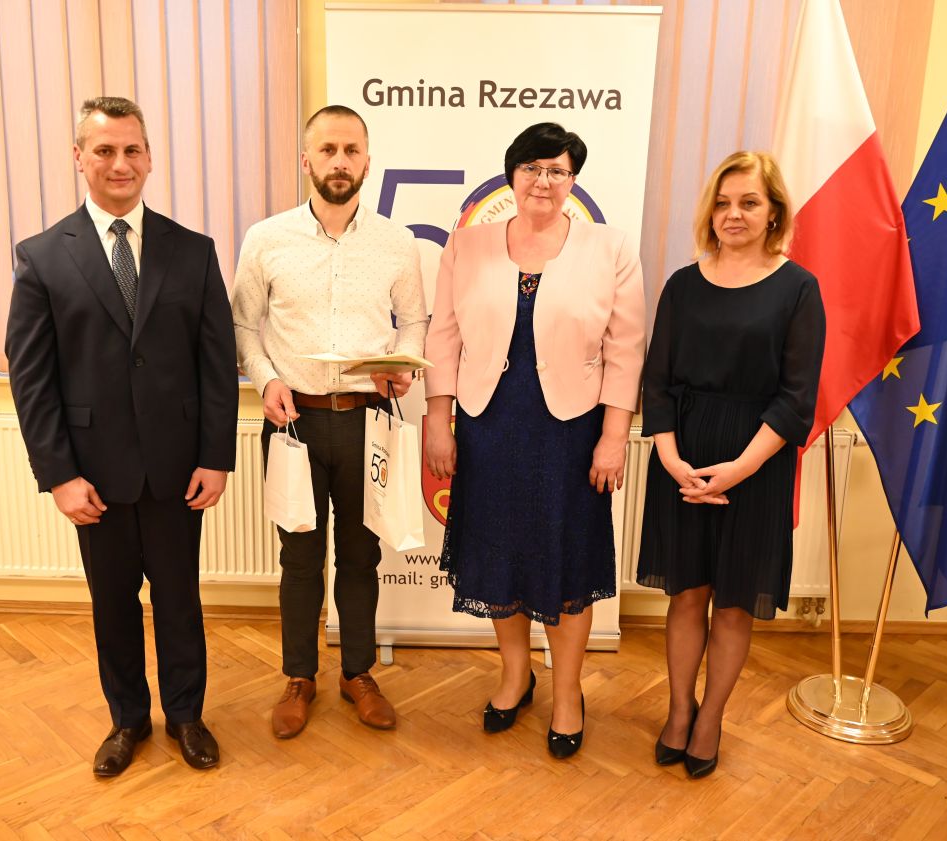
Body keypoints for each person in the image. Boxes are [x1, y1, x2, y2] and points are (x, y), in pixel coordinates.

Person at [6, 97, 239, 776]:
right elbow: (32, 378)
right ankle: (127, 719)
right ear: (79, 157)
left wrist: (216, 457)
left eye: (132, 149)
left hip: (176, 470)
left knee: (179, 600)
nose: (119, 163)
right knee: (112, 605)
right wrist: (58, 474)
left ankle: (187, 715)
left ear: (149, 158)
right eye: (104, 150)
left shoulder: (193, 251)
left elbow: (216, 364)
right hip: (94, 474)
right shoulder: (42, 257)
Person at [424, 122, 645, 759]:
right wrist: (438, 419)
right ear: (512, 175)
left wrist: (614, 437)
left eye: (557, 170)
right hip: (489, 427)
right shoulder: (467, 245)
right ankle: (516, 675)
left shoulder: (610, 247)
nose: (543, 181)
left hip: (571, 433)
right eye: (531, 168)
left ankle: (568, 692)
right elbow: (443, 336)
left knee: (566, 560)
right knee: (501, 554)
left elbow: (626, 349)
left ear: (572, 179)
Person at [232, 105, 427, 739]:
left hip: (369, 420)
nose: (339, 162)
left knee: (362, 554)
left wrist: (402, 366)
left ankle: (357, 673)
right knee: (299, 557)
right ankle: (299, 677)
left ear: (368, 162)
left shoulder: (396, 242)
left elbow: (414, 321)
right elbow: (242, 324)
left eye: (351, 150)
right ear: (306, 160)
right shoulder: (266, 238)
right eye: (327, 150)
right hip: (294, 422)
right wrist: (267, 380)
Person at [637, 151, 825, 779]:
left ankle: (711, 718)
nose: (733, 214)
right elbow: (658, 383)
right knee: (687, 594)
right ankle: (679, 710)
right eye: (722, 203)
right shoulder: (682, 284)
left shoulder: (798, 289)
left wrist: (739, 469)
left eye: (748, 202)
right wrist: (673, 461)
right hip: (683, 458)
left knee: (736, 603)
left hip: (757, 462)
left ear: (774, 212)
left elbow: (797, 399)